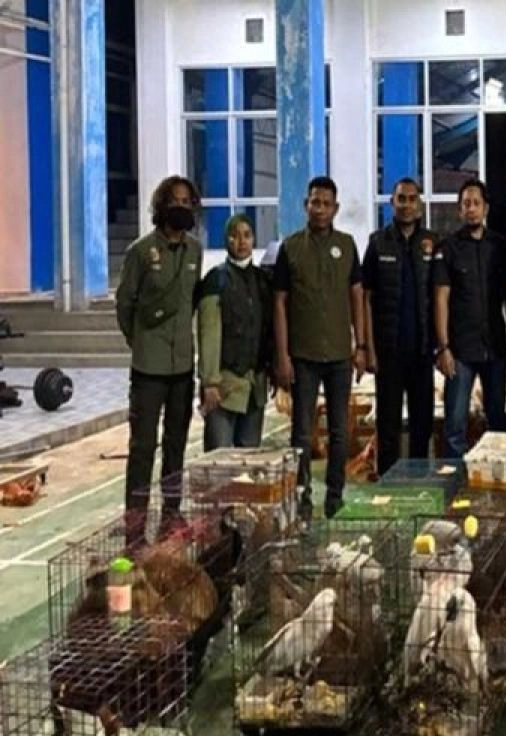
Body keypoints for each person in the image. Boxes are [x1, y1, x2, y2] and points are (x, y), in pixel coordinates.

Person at [273, 176, 367, 521]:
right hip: (303, 356)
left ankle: (335, 494)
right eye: (315, 202)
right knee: (301, 431)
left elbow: (357, 296)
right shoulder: (290, 248)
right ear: (306, 205)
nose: (320, 209)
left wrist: (361, 345)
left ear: (336, 208)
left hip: (341, 354)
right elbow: (279, 303)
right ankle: (303, 496)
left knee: (340, 431)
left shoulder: (347, 246)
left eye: (327, 204)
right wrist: (282, 355)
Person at [115, 175, 202, 541]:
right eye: (174, 201)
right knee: (142, 448)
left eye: (187, 201)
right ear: (161, 205)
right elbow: (125, 304)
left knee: (176, 444)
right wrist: (139, 341)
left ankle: (171, 515)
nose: (181, 207)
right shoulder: (140, 251)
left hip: (182, 365)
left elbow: (191, 302)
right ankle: (135, 528)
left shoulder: (195, 251)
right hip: (148, 368)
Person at [433, 179, 506, 458]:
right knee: (455, 426)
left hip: (494, 347)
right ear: (459, 210)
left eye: (476, 203)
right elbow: (441, 299)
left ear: (486, 208)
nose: (471, 209)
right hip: (460, 350)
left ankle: (496, 479)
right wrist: (443, 347)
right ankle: (454, 480)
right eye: (466, 204)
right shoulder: (448, 248)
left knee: (497, 423)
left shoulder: (500, 246)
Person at [363, 178, 437, 475]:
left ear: (419, 204)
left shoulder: (431, 243)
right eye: (401, 199)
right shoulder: (377, 242)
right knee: (388, 427)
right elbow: (365, 297)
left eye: (411, 199)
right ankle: (388, 486)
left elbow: (440, 295)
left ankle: (419, 484)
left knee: (422, 426)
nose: (406, 205)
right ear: (391, 203)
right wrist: (368, 348)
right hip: (388, 353)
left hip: (422, 352)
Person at [196, 214, 273, 450]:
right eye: (234, 236)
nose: (241, 241)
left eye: (247, 235)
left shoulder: (262, 281)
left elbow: (269, 329)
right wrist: (210, 382)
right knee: (218, 457)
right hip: (224, 387)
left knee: (249, 459)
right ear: (226, 240)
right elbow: (208, 334)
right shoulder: (215, 280)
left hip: (255, 387)